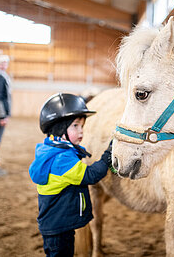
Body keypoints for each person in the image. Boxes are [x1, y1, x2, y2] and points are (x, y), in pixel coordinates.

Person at [29, 93, 112, 257]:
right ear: (60, 128)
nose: (81, 131)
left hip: (59, 226)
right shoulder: (62, 159)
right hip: (58, 230)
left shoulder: (54, 150)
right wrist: (108, 155)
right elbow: (91, 175)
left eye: (82, 126)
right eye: (75, 126)